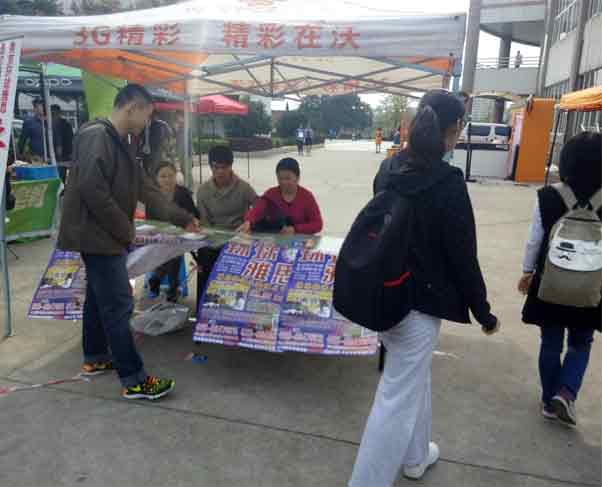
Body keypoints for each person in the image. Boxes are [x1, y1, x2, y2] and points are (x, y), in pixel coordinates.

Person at [351, 90, 499, 487]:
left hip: (384, 294)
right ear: (454, 129)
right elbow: (463, 256)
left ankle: (416, 458)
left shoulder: (388, 168)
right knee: (396, 397)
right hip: (420, 306)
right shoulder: (448, 182)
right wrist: (483, 312)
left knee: (413, 377)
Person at [57, 84, 200, 401]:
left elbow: (145, 188)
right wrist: (125, 230)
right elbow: (93, 190)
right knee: (119, 303)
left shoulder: (120, 142)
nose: (147, 123)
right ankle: (134, 379)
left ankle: (95, 357)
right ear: (132, 108)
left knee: (98, 298)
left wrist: (181, 217)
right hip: (97, 236)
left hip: (104, 234)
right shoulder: (97, 136)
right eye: (147, 116)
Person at [518, 132, 601, 427]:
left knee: (551, 341)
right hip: (591, 288)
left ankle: (548, 401)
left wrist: (527, 271)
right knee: (581, 342)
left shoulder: (548, 196)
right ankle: (565, 393)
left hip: (550, 283)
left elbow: (534, 240)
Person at [196, 145, 257, 302]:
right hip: (213, 240)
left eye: (224, 167)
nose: (220, 172)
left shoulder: (244, 188)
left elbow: (260, 207)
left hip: (240, 240)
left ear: (231, 166)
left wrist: (249, 222)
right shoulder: (203, 191)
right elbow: (204, 223)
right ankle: (203, 305)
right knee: (204, 257)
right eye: (216, 167)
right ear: (210, 167)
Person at [146, 162, 199, 301]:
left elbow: (194, 214)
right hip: (160, 236)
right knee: (172, 255)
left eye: (170, 175)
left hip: (182, 235)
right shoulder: (152, 197)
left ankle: (159, 280)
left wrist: (190, 223)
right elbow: (149, 221)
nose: (167, 179)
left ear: (176, 176)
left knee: (174, 253)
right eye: (163, 176)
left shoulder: (183, 193)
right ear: (157, 179)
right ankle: (171, 288)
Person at [237, 157, 322, 235]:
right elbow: (257, 209)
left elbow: (317, 224)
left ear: (297, 178)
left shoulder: (307, 197)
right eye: (280, 178)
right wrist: (248, 221)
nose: (283, 182)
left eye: (287, 178)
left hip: (302, 241)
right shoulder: (271, 194)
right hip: (277, 239)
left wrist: (295, 229)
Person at [18, 97, 47, 162]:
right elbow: (22, 141)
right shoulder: (29, 122)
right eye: (39, 106)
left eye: (43, 105)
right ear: (34, 108)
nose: (42, 108)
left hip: (51, 158)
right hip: (35, 158)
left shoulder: (50, 122)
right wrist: (21, 155)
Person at [51, 104, 74, 183]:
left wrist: (69, 153)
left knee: (60, 177)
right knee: (60, 177)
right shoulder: (48, 124)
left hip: (62, 156)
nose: (54, 115)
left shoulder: (65, 124)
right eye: (53, 113)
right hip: (60, 156)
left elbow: (70, 139)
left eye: (55, 113)